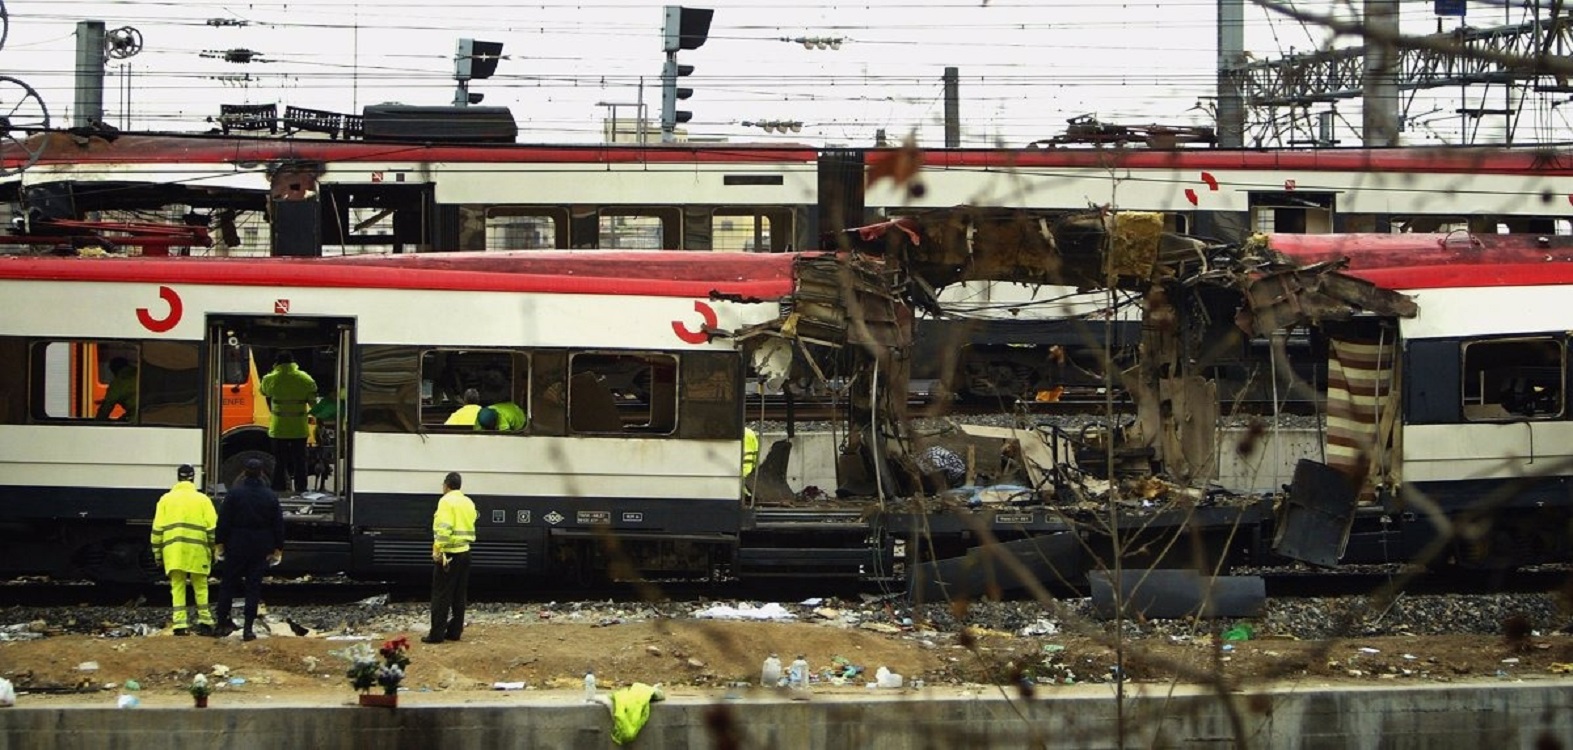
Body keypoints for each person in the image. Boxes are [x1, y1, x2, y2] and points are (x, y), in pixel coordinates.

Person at [214, 458, 285, 641]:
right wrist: (278, 547)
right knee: (253, 587)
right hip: (261, 546)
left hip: (236, 543)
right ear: (262, 473)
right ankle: (248, 629)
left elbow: (223, 521)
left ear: (244, 472)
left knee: (228, 584)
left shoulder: (234, 494)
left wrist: (220, 542)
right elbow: (278, 524)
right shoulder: (270, 496)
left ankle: (222, 622)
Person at [150, 464, 218, 636]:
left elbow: (157, 530)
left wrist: (158, 554)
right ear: (193, 478)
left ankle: (180, 624)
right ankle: (205, 622)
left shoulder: (165, 499)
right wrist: (213, 550)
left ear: (178, 478)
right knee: (201, 587)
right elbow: (212, 530)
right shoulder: (203, 500)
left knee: (177, 587)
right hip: (197, 550)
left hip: (173, 551)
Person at [423, 471, 476, 644]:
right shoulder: (468, 502)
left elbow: (443, 530)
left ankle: (437, 634)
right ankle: (455, 631)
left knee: (441, 595)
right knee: (459, 595)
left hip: (449, 554)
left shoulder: (445, 501)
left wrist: (438, 551)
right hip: (465, 552)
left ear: (446, 485)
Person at [260, 351, 318, 494]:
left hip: (279, 428)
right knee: (300, 460)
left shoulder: (270, 378)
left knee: (280, 461)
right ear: (293, 362)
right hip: (299, 428)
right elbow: (313, 403)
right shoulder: (305, 379)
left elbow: (263, 392)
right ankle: (301, 488)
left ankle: (279, 488)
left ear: (276, 363)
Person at [95, 356, 138, 421]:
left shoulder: (117, 384)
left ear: (114, 370)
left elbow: (106, 408)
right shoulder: (140, 373)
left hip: (137, 417)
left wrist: (98, 422)